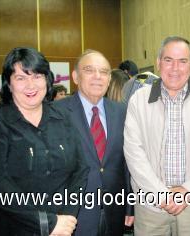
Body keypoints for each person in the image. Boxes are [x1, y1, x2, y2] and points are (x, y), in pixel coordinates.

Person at [0, 47, 89, 236]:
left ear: (47, 79)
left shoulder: (64, 117)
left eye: (37, 76)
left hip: (61, 226)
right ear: (8, 84)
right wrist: (46, 222)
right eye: (20, 78)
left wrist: (66, 217)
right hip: (11, 228)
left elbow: (80, 170)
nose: (30, 85)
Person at [124, 36, 190, 236]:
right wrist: (161, 195)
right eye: (168, 60)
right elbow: (133, 152)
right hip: (150, 206)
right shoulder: (138, 100)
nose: (175, 68)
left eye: (183, 61)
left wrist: (188, 190)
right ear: (158, 63)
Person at [55, 49, 134, 236]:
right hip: (72, 215)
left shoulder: (121, 112)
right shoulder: (56, 113)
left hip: (114, 211)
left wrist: (130, 206)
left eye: (104, 72)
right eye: (89, 70)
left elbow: (127, 163)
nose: (98, 77)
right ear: (75, 76)